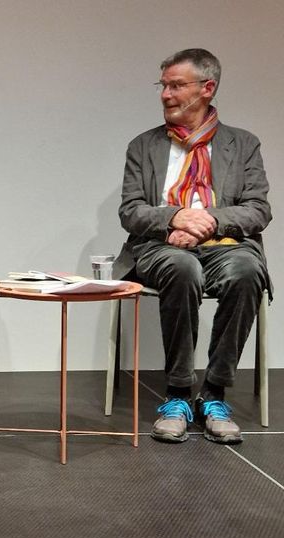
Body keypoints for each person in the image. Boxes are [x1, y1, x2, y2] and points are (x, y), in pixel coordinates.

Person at [116, 49, 271, 444]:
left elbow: (258, 210)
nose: (165, 95)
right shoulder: (143, 146)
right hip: (161, 246)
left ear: (207, 88)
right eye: (163, 86)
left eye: (176, 85)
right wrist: (174, 218)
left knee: (248, 271)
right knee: (183, 268)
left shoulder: (244, 144)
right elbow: (131, 211)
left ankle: (215, 393)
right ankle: (178, 394)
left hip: (226, 246)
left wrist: (209, 221)